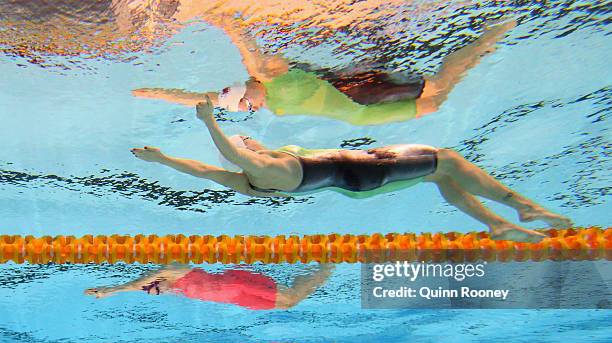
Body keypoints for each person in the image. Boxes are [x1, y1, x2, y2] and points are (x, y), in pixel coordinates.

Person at [131, 97, 571, 243]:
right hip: (364, 173)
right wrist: (210, 121)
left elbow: (207, 172)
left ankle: (495, 223)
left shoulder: (255, 178)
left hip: (363, 173)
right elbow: (234, 156)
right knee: (449, 160)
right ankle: (524, 208)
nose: (248, 143)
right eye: (245, 145)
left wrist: (165, 160)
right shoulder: (264, 171)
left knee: (439, 174)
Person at [132, 19, 517, 125]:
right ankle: (478, 49)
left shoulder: (266, 76)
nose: (252, 110)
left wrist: (229, 26)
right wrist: (160, 94)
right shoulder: (262, 98)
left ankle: (489, 36)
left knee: (437, 86)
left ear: (249, 89)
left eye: (248, 104)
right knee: (436, 105)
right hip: (361, 116)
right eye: (246, 111)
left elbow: (253, 59)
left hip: (360, 95)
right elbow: (200, 100)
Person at [84, 264, 332, 310]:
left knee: (291, 298)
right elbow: (142, 285)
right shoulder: (177, 287)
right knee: (288, 305)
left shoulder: (174, 270)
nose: (159, 293)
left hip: (239, 282)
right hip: (237, 298)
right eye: (155, 294)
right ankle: (315, 270)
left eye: (155, 288)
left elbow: (139, 283)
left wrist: (111, 290)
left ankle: (327, 264)